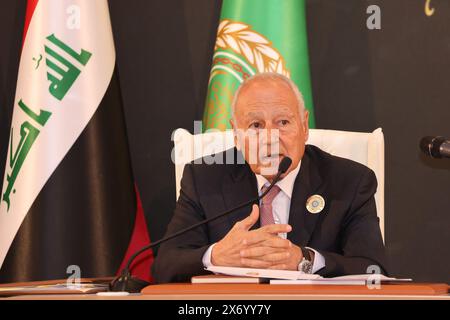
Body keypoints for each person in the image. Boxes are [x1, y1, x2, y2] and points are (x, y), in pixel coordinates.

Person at [152, 72, 387, 283]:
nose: (270, 138)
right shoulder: (204, 179)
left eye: (283, 122)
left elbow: (373, 268)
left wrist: (305, 260)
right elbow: (165, 265)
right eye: (256, 125)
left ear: (304, 126)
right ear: (236, 134)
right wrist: (215, 255)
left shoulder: (350, 182)